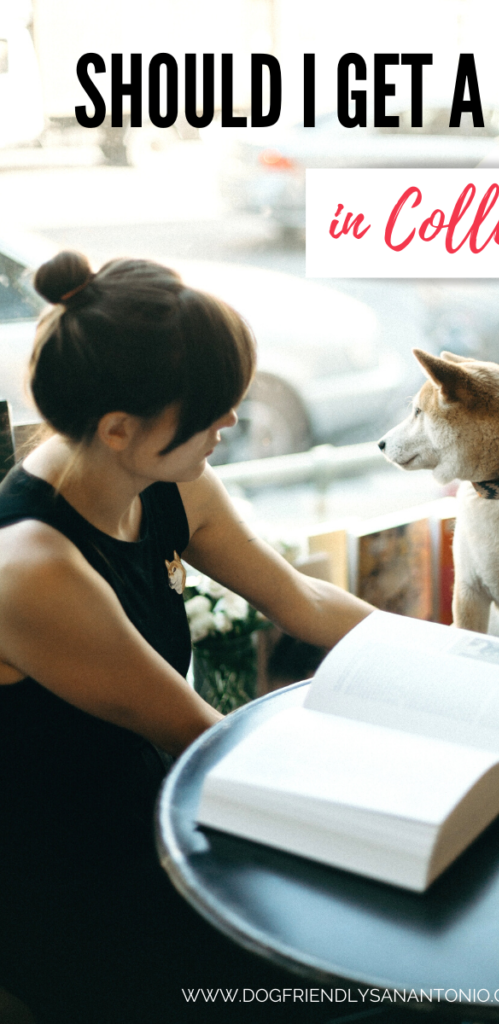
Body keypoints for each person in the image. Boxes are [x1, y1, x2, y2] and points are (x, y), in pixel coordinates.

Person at [0, 251, 374, 1024]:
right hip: (79, 883)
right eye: (208, 411)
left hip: (165, 813)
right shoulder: (29, 567)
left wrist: (469, 663)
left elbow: (303, 601)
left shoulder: (166, 478)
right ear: (119, 429)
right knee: (351, 974)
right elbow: (196, 737)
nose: (228, 423)